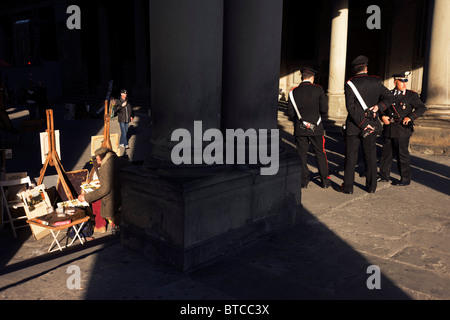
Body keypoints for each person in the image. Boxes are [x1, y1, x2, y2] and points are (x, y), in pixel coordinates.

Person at [338, 55, 394, 194]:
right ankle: (371, 187)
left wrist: (362, 124)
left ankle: (348, 187)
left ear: (354, 70)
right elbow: (390, 97)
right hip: (372, 122)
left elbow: (350, 108)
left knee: (351, 157)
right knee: (371, 156)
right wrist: (378, 107)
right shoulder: (376, 81)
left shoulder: (350, 83)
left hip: (353, 125)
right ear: (366, 68)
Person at [378, 71, 427, 186]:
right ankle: (384, 175)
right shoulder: (388, 94)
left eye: (406, 81)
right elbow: (381, 108)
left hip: (402, 129)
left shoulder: (411, 95)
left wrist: (410, 117)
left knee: (402, 155)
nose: (405, 84)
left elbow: (421, 108)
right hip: (389, 128)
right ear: (395, 82)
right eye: (402, 81)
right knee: (386, 154)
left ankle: (405, 178)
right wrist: (382, 117)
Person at [287, 67, 330, 189]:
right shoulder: (319, 89)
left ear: (302, 77)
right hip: (316, 128)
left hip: (300, 128)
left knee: (301, 154)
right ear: (312, 77)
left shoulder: (293, 92)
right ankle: (325, 181)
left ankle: (303, 181)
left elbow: (290, 113)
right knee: (320, 154)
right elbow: (324, 109)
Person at [78, 147, 129, 233]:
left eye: (98, 159)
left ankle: (102, 225)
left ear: (102, 156)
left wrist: (86, 197)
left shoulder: (105, 167)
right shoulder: (123, 161)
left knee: (98, 203)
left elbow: (104, 189)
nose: (97, 162)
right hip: (126, 193)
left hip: (116, 198)